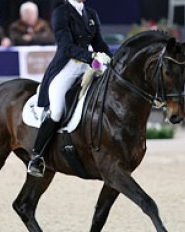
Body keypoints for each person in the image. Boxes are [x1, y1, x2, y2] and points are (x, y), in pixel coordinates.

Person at [27, 0, 112, 177]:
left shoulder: (91, 14)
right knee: (57, 110)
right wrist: (92, 56)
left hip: (86, 66)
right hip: (66, 67)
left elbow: (100, 44)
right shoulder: (61, 13)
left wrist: (114, 59)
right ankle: (37, 155)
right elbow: (65, 47)